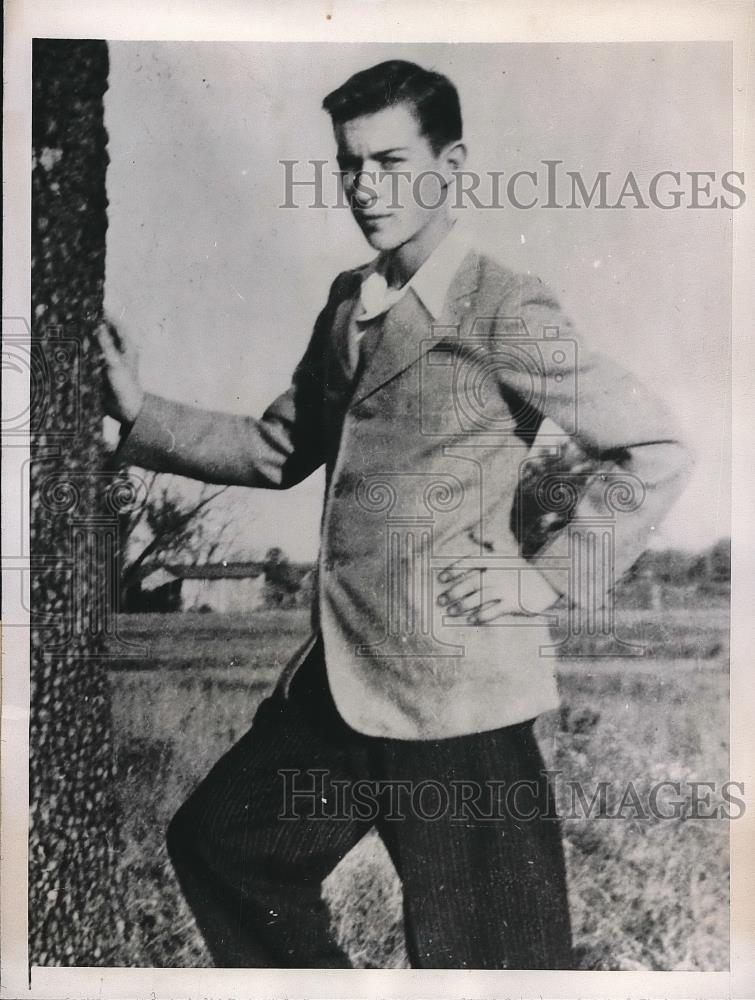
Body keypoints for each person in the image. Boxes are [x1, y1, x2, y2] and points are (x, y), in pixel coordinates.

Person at [97, 59, 694, 969]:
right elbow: (276, 448)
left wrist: (546, 579)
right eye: (348, 165)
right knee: (224, 850)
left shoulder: (503, 305)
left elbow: (651, 444)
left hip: (458, 700)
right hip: (339, 686)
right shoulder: (348, 305)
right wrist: (139, 412)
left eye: (390, 162)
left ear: (451, 166)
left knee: (496, 966)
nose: (365, 188)